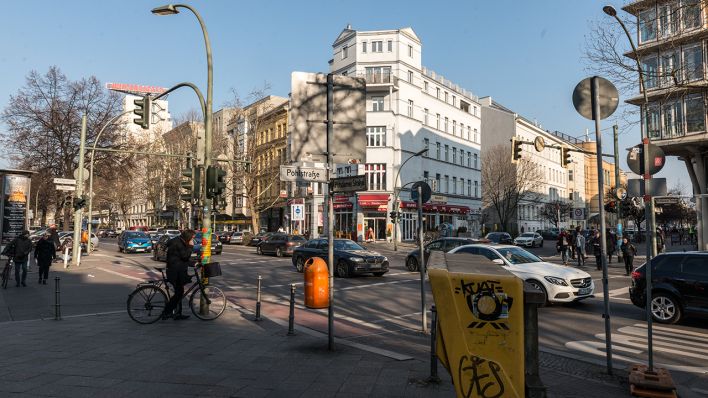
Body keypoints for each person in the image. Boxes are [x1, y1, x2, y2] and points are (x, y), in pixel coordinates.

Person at [161, 229, 195, 320]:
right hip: (175, 272)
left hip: (176, 270)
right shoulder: (179, 243)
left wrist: (193, 263)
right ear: (188, 237)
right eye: (192, 238)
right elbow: (184, 256)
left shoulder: (178, 240)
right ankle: (166, 312)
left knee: (179, 291)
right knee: (179, 293)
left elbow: (180, 258)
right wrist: (191, 246)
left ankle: (177, 313)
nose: (193, 240)